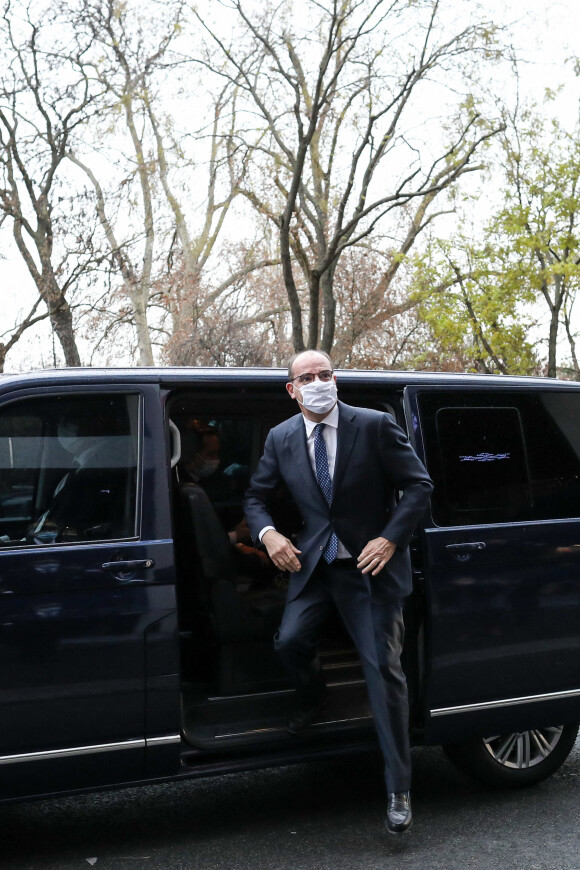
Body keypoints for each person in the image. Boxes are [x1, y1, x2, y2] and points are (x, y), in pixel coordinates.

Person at [243, 350, 433, 835]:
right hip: (314, 566)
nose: (318, 382)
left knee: (381, 671)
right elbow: (255, 498)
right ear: (292, 389)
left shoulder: (373, 425)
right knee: (289, 641)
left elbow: (417, 487)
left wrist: (390, 537)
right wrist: (269, 535)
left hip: (370, 570)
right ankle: (314, 695)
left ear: (335, 379)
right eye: (306, 377)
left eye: (325, 374)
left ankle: (398, 789)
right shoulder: (281, 437)